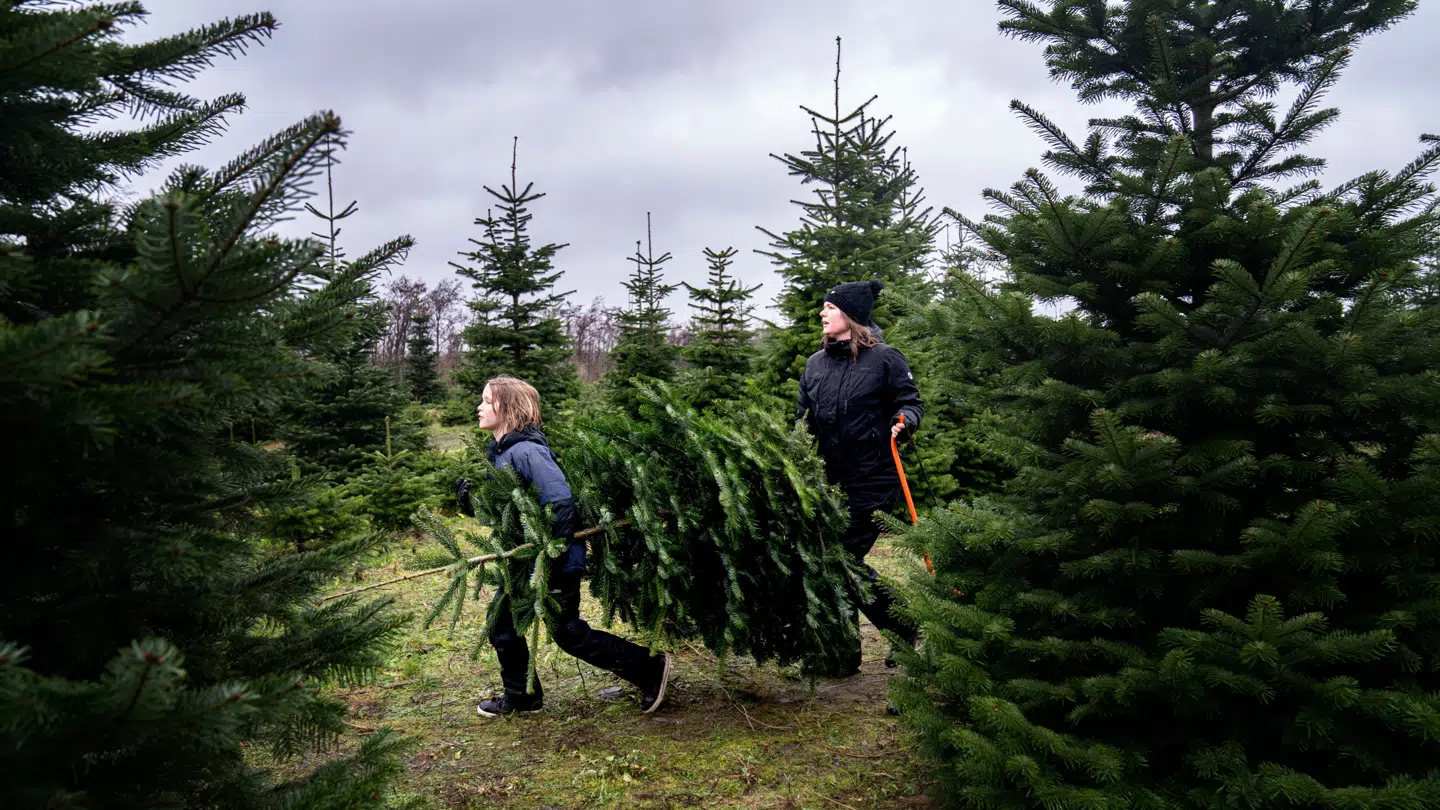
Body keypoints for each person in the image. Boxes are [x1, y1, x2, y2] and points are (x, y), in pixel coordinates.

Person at [454, 375, 672, 717]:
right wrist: (472, 506)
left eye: (487, 400)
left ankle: (650, 668)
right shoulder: (503, 452)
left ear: (508, 408)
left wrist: (550, 554)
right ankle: (522, 696)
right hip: (525, 561)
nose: (479, 407)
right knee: (502, 625)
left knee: (568, 633)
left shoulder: (527, 451)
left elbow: (559, 500)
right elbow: (511, 515)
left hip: (551, 560)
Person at [795, 279, 922, 677]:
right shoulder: (815, 365)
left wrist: (905, 420)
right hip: (828, 482)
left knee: (841, 559)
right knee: (830, 561)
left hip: (872, 480)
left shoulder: (885, 359)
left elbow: (910, 401)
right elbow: (802, 420)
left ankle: (902, 626)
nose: (822, 313)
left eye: (830, 308)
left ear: (850, 315)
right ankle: (843, 654)